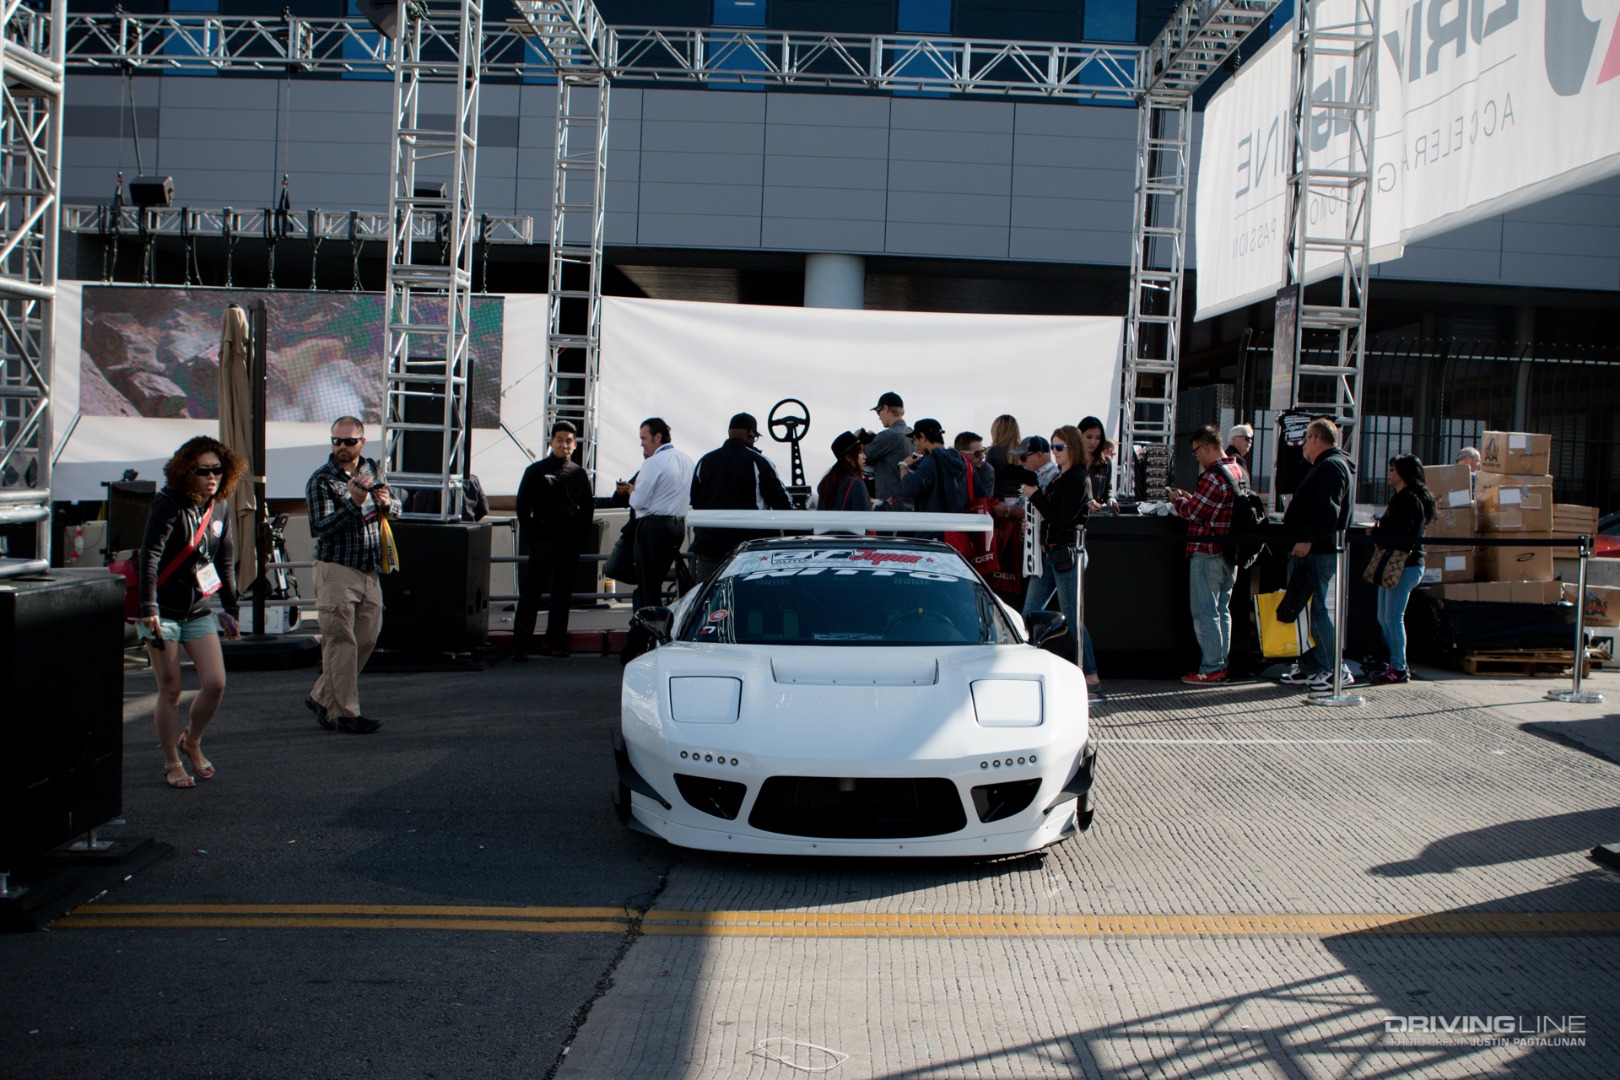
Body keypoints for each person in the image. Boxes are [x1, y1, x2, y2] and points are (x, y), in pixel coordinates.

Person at [138, 436, 245, 788]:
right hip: (163, 611)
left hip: (198, 609)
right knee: (170, 689)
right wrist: (149, 607)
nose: (212, 477)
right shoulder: (168, 503)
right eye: (204, 471)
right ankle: (171, 761)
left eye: (218, 469)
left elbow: (224, 560)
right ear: (187, 471)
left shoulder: (220, 506)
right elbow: (150, 557)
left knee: (215, 684)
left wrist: (230, 608)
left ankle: (191, 741)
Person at [305, 416, 397, 735]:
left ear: (362, 442)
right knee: (341, 641)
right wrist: (353, 504)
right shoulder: (322, 480)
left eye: (348, 442)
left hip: (369, 567)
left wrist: (388, 504)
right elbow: (319, 527)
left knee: (367, 637)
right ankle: (344, 712)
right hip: (336, 568)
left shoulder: (371, 470)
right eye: (336, 441)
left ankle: (321, 696)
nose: (341, 447)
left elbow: (394, 507)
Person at [1278, 417, 1356, 693]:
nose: (1302, 445)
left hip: (1316, 550)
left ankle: (1334, 669)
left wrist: (1307, 538)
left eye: (1306, 439)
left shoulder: (1332, 465)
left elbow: (1328, 509)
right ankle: (1312, 665)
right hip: (1312, 548)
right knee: (1305, 608)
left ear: (1315, 438)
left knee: (1318, 608)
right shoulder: (1329, 465)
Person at [513, 421, 595, 660]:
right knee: (531, 594)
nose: (564, 445)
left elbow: (587, 509)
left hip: (569, 544)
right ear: (551, 442)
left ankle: (555, 643)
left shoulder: (579, 474)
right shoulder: (536, 471)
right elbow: (522, 507)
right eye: (560, 439)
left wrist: (581, 540)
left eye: (569, 440)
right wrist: (532, 537)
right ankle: (521, 644)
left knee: (561, 596)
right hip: (542, 543)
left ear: (575, 445)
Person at [1169, 425, 1243, 684]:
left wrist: (1177, 499)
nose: (1196, 457)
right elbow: (1208, 506)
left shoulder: (1212, 477)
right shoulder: (1237, 470)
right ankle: (1220, 665)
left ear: (1206, 447)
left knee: (1205, 612)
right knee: (1222, 610)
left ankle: (1211, 667)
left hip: (1207, 551)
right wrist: (1193, 499)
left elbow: (1193, 513)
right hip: (1229, 552)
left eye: (1196, 452)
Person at [688, 411, 793, 583]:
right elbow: (782, 502)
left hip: (709, 545)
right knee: (751, 600)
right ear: (750, 434)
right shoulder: (759, 461)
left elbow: (696, 501)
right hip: (748, 548)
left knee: (709, 600)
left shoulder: (705, 461)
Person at [1022, 425, 1091, 673]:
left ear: (1072, 447)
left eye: (1059, 447)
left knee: (1072, 620)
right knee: (1029, 614)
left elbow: (1061, 518)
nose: (1055, 452)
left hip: (1066, 555)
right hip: (1051, 554)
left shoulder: (1078, 478)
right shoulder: (1064, 477)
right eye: (1053, 447)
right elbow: (1052, 516)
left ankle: (1091, 675)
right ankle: (1027, 666)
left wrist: (1035, 497)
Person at [1365, 454, 1436, 686]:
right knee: (1384, 616)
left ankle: (1399, 666)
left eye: (1393, 469)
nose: (1389, 473)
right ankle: (1395, 662)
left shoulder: (1408, 500)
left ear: (1403, 474)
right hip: (1399, 566)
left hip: (1404, 566)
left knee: (1393, 617)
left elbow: (1406, 535)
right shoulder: (1404, 497)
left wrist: (1378, 533)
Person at [627, 416, 694, 612]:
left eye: (644, 438)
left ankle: (646, 632)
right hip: (678, 526)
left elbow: (638, 501)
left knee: (648, 585)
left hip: (653, 527)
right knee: (654, 581)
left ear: (657, 437)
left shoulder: (653, 463)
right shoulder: (687, 460)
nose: (641, 444)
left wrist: (631, 491)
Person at [899, 418, 987, 513]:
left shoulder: (931, 460)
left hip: (935, 524)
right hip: (959, 523)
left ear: (922, 436)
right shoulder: (963, 460)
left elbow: (910, 488)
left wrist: (903, 466)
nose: (916, 445)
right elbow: (981, 494)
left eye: (915, 440)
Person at [866, 391, 913, 510]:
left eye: (878, 411)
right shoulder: (912, 434)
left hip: (890, 505)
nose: (878, 416)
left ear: (886, 408)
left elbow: (862, 457)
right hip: (911, 504)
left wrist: (857, 439)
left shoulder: (888, 435)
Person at [818, 429, 874, 511]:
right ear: (848, 457)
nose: (864, 457)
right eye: (860, 452)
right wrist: (885, 507)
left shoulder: (826, 482)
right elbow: (863, 519)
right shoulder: (856, 484)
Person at [1077, 416, 1114, 511]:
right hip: (1075, 518)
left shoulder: (1106, 462)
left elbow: (1108, 489)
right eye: (1089, 437)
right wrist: (1087, 502)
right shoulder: (1070, 460)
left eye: (1098, 438)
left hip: (1097, 518)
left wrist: (1111, 498)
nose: (1093, 442)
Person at [987, 414, 1024, 499]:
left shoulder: (994, 451)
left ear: (997, 431)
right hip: (1019, 501)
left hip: (998, 501)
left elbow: (988, 479)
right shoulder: (1024, 452)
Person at [954, 431, 994, 497]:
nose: (982, 457)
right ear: (962, 454)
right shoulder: (949, 469)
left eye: (982, 451)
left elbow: (984, 500)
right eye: (978, 453)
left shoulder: (986, 469)